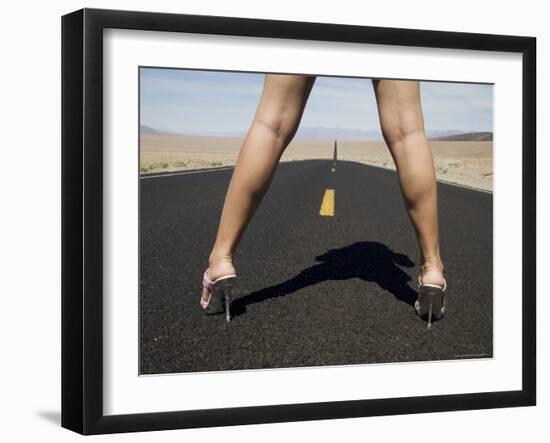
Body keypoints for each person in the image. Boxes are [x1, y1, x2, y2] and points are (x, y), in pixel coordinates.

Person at [199, 74, 447, 326]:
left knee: (271, 124)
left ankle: (221, 259)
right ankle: (432, 268)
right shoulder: (389, 256)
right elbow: (402, 261)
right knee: (407, 132)